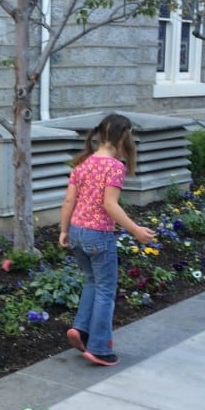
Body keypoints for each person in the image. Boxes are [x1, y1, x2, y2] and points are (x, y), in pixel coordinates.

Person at [58, 113, 156, 367]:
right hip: (98, 235)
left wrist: (64, 230)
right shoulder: (114, 167)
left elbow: (69, 200)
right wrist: (136, 230)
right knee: (105, 289)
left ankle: (81, 330)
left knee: (92, 281)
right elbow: (109, 205)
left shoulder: (83, 164)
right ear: (124, 136)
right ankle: (100, 347)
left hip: (78, 232)